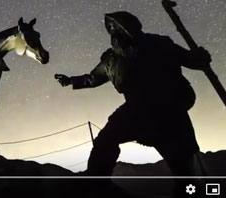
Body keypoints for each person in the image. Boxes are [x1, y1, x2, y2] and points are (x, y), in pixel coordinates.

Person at [55, 11, 211, 195]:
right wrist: (71, 80)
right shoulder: (111, 59)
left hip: (168, 110)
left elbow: (191, 60)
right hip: (136, 110)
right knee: (106, 140)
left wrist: (200, 57)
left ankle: (190, 191)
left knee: (183, 165)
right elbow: (92, 79)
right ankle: (97, 183)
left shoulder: (159, 44)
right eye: (111, 29)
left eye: (117, 27)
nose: (114, 32)